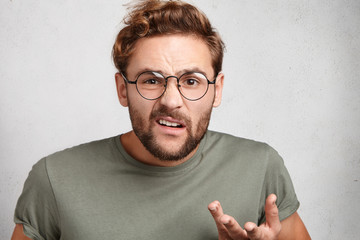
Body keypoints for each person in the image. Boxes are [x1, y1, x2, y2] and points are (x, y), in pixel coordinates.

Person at [12, 0, 311, 239]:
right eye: (151, 80)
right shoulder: (54, 179)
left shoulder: (261, 167)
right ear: (122, 90)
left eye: (191, 81)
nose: (171, 100)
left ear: (216, 91)